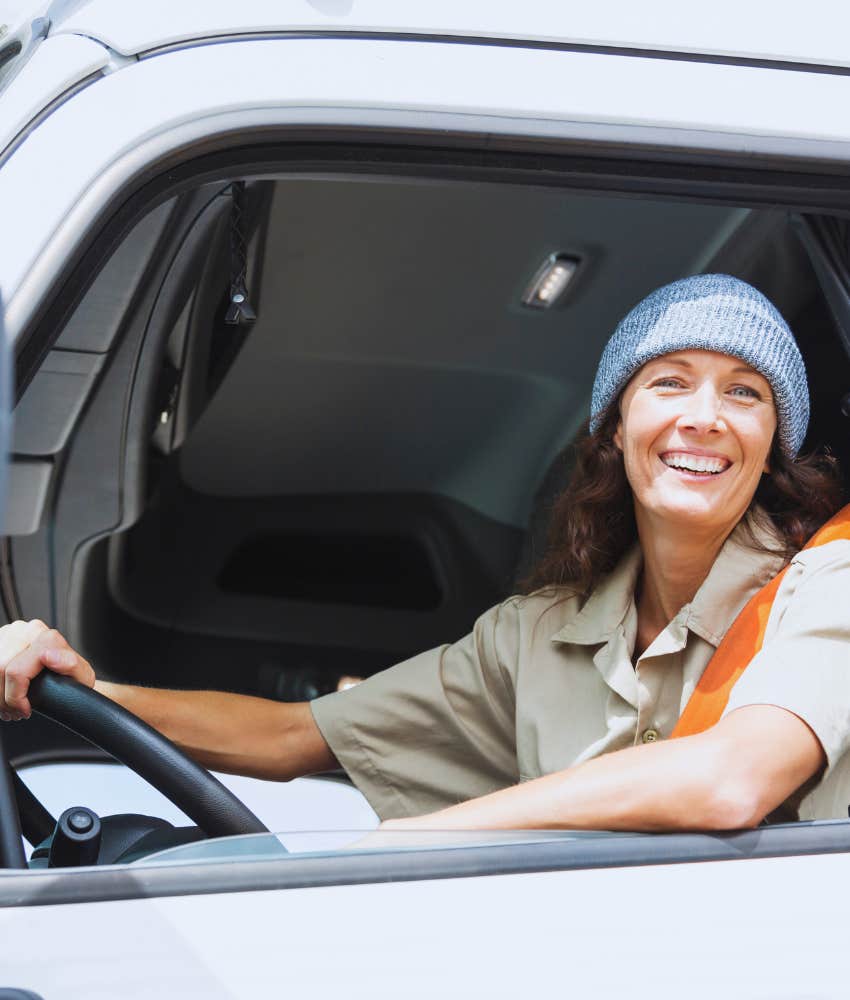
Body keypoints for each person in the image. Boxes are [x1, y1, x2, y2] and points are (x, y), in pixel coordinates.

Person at [1, 274, 848, 832]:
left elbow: (735, 779)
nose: (706, 415)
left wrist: (420, 846)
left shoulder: (828, 586)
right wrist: (78, 693)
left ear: (771, 442)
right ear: (615, 427)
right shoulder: (539, 633)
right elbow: (297, 735)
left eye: (745, 393)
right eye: (671, 381)